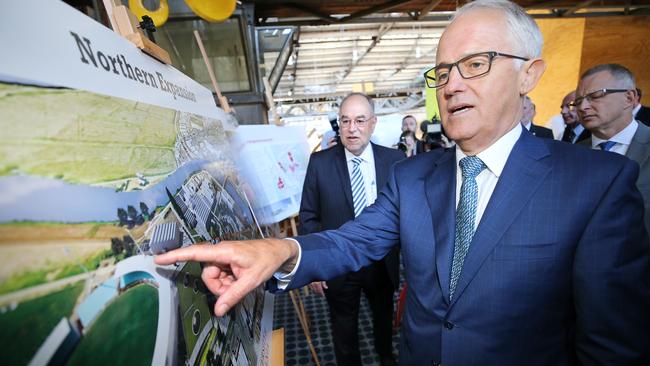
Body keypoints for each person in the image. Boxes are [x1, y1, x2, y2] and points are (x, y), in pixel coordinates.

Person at [156, 1, 650, 365]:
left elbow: (611, 344)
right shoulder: (413, 176)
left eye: (476, 64)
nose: (453, 84)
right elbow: (355, 239)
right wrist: (280, 252)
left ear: (529, 75)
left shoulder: (596, 184)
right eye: (442, 72)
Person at [300, 93, 403, 366]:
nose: (352, 128)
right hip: (338, 264)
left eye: (359, 120)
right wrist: (313, 265)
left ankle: (385, 354)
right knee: (344, 328)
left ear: (373, 123)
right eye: (345, 121)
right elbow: (309, 216)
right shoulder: (320, 163)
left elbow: (407, 213)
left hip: (382, 260)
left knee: (383, 316)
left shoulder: (395, 160)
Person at [576, 63, 650, 235]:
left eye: (595, 96)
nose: (582, 107)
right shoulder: (571, 155)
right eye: (578, 101)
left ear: (629, 98)